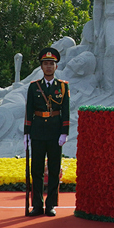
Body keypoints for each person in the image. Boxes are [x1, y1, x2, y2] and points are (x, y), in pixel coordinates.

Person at [24, 47, 70, 216]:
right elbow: (28, 111)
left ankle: (50, 204)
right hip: (37, 132)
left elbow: (66, 111)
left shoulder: (63, 87)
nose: (49, 67)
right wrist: (26, 133)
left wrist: (64, 132)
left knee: (54, 169)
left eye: (51, 64)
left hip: (55, 133)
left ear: (56, 67)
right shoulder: (34, 87)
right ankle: (37, 205)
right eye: (45, 64)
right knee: (36, 170)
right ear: (41, 67)